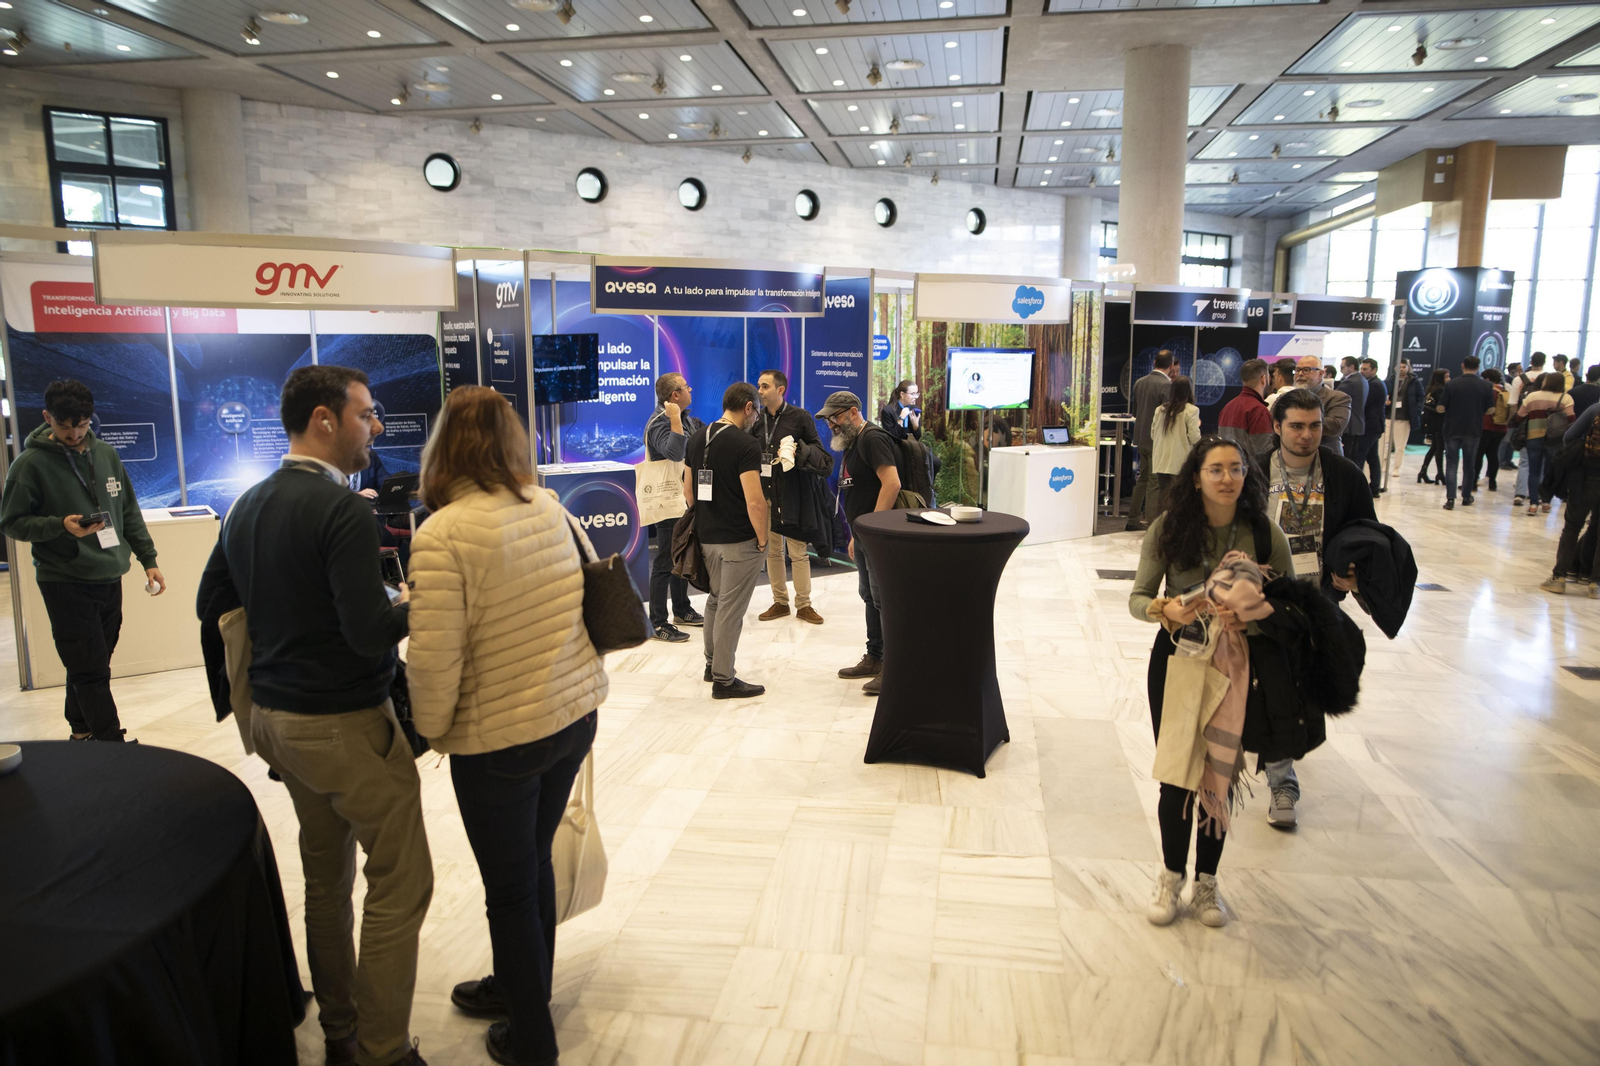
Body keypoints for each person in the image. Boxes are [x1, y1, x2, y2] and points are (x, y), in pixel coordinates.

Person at [197, 366, 430, 1066]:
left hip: (277, 720)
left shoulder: (248, 505)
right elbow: (366, 633)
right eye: (366, 414)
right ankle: (384, 1050)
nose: (378, 427)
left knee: (325, 879)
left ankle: (340, 1033)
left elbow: (216, 603)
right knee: (401, 879)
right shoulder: (341, 512)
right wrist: (426, 601)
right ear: (324, 421)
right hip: (343, 725)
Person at [406, 387, 609, 1066]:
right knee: (533, 865)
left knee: (511, 888)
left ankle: (532, 1036)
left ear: (444, 446)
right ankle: (522, 986)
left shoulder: (443, 532)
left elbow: (434, 661)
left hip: (499, 742)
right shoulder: (547, 506)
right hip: (571, 717)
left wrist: (431, 732)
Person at [1129, 437, 1293, 927]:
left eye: (1236, 469)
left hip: (1237, 667)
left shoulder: (1265, 535)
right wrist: (1165, 610)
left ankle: (1207, 883)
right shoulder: (1169, 529)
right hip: (1179, 661)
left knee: (1217, 778)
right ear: (1195, 476)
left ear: (1247, 475)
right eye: (1215, 469)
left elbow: (1290, 608)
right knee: (1178, 773)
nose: (1227, 478)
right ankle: (1171, 876)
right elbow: (1138, 597)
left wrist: (1254, 621)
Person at [1, 379, 165, 742]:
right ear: (47, 418)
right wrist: (59, 525)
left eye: (82, 424)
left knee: (90, 663)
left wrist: (147, 558)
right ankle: (111, 742)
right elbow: (11, 522)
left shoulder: (105, 454)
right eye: (65, 426)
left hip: (109, 574)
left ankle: (80, 731)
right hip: (64, 579)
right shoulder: (29, 465)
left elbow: (128, 511)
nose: (74, 433)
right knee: (90, 669)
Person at [1257, 388, 1375, 829]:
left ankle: (1281, 769)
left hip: (1318, 597)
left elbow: (1366, 531)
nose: (1306, 436)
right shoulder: (1253, 469)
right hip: (1264, 596)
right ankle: (1281, 780)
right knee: (1273, 686)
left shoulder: (1344, 475)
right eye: (1296, 426)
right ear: (1277, 427)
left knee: (1299, 685)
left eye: (1314, 426)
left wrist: (1354, 574)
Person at [684, 382, 768, 698]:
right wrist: (762, 538)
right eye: (756, 411)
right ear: (747, 407)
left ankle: (711, 666)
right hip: (739, 540)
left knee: (716, 601)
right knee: (731, 609)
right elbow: (755, 501)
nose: (756, 417)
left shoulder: (696, 438)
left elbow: (688, 492)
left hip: (706, 536)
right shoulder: (746, 444)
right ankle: (724, 680)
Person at [818, 390, 902, 696]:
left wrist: (874, 530)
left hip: (878, 535)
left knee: (883, 600)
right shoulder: (853, 443)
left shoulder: (873, 438)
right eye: (829, 419)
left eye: (836, 417)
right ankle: (875, 657)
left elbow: (892, 483)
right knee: (869, 596)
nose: (831, 424)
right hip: (865, 535)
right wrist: (856, 535)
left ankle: (893, 668)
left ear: (854, 412)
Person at [752, 369, 827, 625]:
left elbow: (818, 450)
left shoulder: (800, 417)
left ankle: (804, 604)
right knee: (772, 551)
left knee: (797, 550)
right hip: (765, 493)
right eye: (759, 386)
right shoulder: (756, 420)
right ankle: (780, 602)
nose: (760, 391)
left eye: (764, 387)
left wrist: (797, 450)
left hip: (793, 493)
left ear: (780, 390)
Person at [644, 373, 705, 643]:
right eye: (686, 387)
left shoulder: (684, 417)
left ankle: (681, 609)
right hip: (666, 500)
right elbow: (675, 453)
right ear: (674, 396)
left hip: (683, 498)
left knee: (682, 555)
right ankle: (658, 622)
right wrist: (675, 419)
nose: (690, 389)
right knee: (665, 561)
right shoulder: (661, 421)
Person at [1541, 400, 1600, 598]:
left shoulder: (1595, 409)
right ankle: (1596, 584)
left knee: (1573, 526)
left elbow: (1569, 436)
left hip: (1588, 475)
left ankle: (1559, 578)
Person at [1126, 350, 1177, 530]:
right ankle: (1152, 525)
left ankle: (1132, 520)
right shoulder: (1168, 385)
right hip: (1158, 441)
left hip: (1141, 439)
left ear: (1154, 362)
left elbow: (1135, 410)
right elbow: (1170, 416)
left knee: (1143, 480)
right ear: (1171, 366)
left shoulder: (1140, 382)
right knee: (1154, 483)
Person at [1438, 354, 1496, 510]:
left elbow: (1441, 407)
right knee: (1469, 465)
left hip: (1452, 428)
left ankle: (1450, 498)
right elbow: (1491, 409)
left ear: (1462, 365)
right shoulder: (1486, 386)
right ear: (1478, 367)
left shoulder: (1451, 385)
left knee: (1451, 465)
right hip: (1473, 429)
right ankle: (1466, 495)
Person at [1513, 372, 1576, 516]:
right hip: (1555, 440)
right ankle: (1546, 501)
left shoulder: (1533, 396)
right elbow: (1572, 419)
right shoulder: (1565, 398)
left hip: (1533, 437)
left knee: (1533, 471)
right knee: (1549, 471)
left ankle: (1533, 504)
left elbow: (1520, 416)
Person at [1150, 376, 1201, 508]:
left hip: (1161, 460)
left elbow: (1153, 434)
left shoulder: (1160, 409)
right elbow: (1194, 438)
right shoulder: (1191, 410)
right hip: (1181, 461)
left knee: (1164, 495)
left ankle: (1161, 526)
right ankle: (1177, 527)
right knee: (1181, 497)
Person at [1509, 352, 1547, 506]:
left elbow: (1512, 404)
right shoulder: (1551, 379)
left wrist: (1514, 424)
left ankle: (1519, 493)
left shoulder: (1519, 379)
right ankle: (1538, 494)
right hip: (1545, 426)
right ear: (1544, 362)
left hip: (1525, 423)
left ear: (1531, 361)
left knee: (1524, 461)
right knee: (1542, 463)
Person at [1217, 358, 1274, 460]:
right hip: (1249, 472)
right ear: (1263, 379)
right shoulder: (1259, 411)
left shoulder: (1227, 407)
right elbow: (1265, 453)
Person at [1294, 356, 1351, 453]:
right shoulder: (1286, 397)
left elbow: (1335, 426)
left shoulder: (1338, 398)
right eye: (1297, 370)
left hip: (1325, 457)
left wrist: (1295, 420)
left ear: (1321, 374)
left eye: (1306, 370)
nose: (1300, 374)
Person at [1386, 358, 1423, 479]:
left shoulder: (1414, 381)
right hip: (1388, 415)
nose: (1401, 369)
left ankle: (1396, 467)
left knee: (1400, 445)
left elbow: (1420, 397)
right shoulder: (1389, 380)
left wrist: (1416, 410)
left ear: (1408, 367)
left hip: (1404, 416)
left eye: (1404, 366)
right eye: (1399, 367)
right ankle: (1383, 465)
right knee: (1384, 444)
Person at [1473, 369, 1509, 495]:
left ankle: (1473, 482)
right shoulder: (1505, 390)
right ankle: (1492, 482)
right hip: (1501, 427)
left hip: (1486, 426)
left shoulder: (1488, 391)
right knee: (1493, 454)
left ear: (1487, 379)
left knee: (1479, 454)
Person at [1357, 358, 1388, 495]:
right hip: (1373, 426)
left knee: (1361, 457)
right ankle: (1374, 487)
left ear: (1374, 370)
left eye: (1365, 369)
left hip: (1371, 427)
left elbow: (1364, 403)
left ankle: (1361, 489)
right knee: (1372, 458)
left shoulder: (1375, 385)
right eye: (1361, 369)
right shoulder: (1371, 383)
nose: (1362, 372)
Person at [1417, 369, 1449, 485]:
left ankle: (1423, 471)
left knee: (1435, 448)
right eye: (1446, 377)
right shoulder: (1439, 390)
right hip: (1438, 423)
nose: (1448, 379)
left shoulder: (1431, 389)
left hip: (1433, 422)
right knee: (1439, 449)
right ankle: (1440, 474)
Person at [1336, 357, 1368, 461]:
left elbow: (1334, 397)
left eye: (1342, 367)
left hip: (1350, 426)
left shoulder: (1350, 382)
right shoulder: (1362, 379)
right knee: (1353, 458)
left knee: (1346, 459)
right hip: (1358, 425)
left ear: (1351, 367)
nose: (1340, 370)